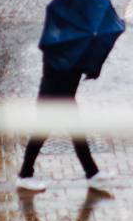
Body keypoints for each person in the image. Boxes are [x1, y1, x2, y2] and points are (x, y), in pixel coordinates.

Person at [15, 60, 115, 191]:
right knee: (40, 135)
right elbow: (64, 71)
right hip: (52, 99)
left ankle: (92, 173)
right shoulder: (61, 50)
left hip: (65, 98)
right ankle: (24, 176)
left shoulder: (68, 48)